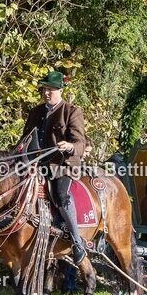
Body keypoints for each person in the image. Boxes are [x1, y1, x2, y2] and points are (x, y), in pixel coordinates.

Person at [19, 70, 89, 269]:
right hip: (35, 165)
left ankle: (77, 242)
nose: (47, 93)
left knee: (60, 194)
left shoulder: (72, 111)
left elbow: (80, 143)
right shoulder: (36, 112)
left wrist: (70, 146)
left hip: (61, 166)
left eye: (51, 89)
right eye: (45, 89)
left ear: (60, 90)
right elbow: (25, 139)